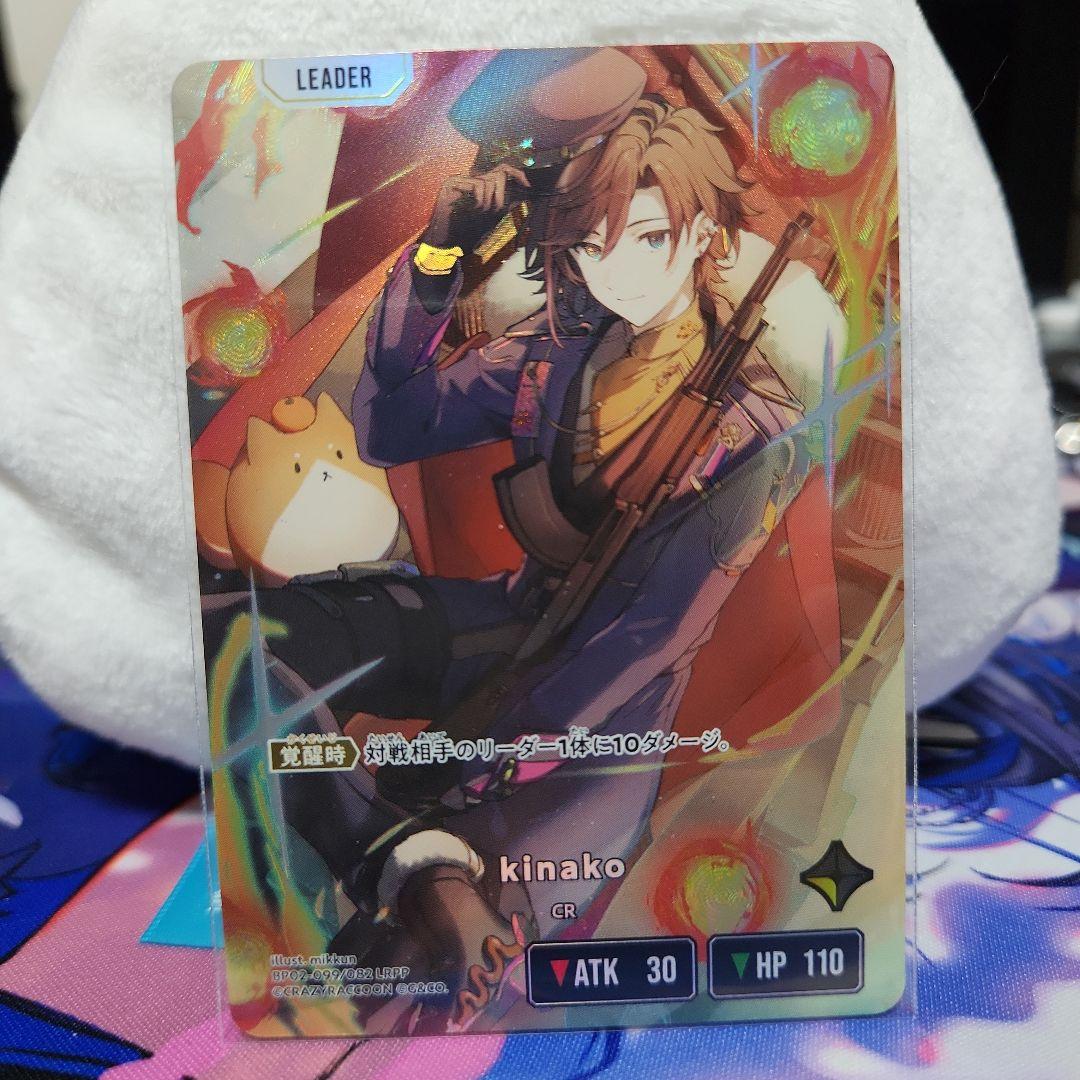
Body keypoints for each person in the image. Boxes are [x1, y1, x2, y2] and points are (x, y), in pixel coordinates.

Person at [223, 97, 816, 1032]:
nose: (617, 270)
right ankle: (393, 848)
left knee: (392, 987)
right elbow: (389, 426)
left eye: (649, 238)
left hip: (598, 737)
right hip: (502, 625)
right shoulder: (557, 359)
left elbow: (648, 637)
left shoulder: (752, 433)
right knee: (229, 640)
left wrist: (477, 757)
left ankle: (414, 867)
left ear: (703, 236)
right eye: (593, 245)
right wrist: (437, 258)